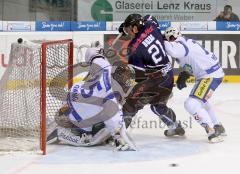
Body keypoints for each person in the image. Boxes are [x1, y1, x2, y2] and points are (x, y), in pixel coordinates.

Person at [47, 42, 136, 151]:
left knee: (100, 120)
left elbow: (95, 57)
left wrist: (96, 51)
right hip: (77, 110)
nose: (127, 83)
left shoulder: (107, 69)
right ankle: (59, 133)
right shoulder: (112, 93)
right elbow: (113, 119)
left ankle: (65, 121)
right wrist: (119, 139)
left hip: (71, 97)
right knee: (89, 139)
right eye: (126, 80)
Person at [118, 14, 185, 137]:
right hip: (168, 75)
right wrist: (128, 26)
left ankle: (118, 133)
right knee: (157, 106)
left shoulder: (133, 48)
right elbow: (149, 17)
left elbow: (138, 76)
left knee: (130, 103)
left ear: (135, 27)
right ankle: (175, 127)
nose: (127, 33)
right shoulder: (151, 25)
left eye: (128, 30)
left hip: (155, 80)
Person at [164, 27, 226, 143]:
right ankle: (217, 126)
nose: (171, 40)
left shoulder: (180, 45)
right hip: (209, 74)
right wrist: (186, 73)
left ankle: (211, 131)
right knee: (201, 101)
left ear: (178, 35)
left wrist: (161, 40)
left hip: (209, 75)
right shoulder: (184, 44)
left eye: (172, 38)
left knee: (191, 103)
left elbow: (173, 51)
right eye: (169, 38)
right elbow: (195, 60)